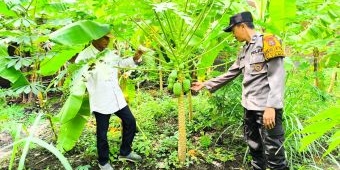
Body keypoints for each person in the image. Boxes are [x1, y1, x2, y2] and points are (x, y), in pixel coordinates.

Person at [191, 11, 289, 170]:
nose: (232, 35)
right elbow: (231, 73)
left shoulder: (268, 41)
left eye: (233, 30)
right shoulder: (244, 51)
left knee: (274, 154)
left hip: (266, 109)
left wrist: (272, 106)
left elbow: (277, 76)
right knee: (255, 149)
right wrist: (205, 84)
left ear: (242, 26)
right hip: (249, 107)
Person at [75, 33, 144, 170]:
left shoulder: (109, 53)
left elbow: (121, 63)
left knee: (130, 122)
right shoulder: (84, 56)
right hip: (101, 100)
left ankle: (125, 152)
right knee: (102, 134)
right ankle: (103, 162)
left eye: (108, 38)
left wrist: (137, 56)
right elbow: (80, 77)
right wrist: (92, 66)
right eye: (104, 38)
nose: (107, 41)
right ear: (95, 37)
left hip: (116, 97)